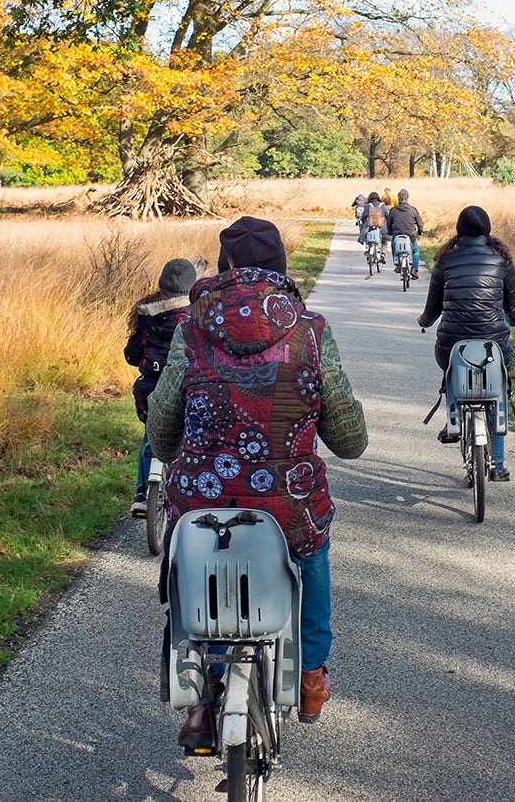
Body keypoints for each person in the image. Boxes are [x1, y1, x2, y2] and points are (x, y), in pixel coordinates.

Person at [146, 216, 368, 743]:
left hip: (203, 508)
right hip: (287, 506)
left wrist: (178, 450)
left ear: (223, 269)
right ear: (281, 268)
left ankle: (201, 694)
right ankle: (311, 676)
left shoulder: (189, 329)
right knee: (311, 554)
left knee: (190, 562)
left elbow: (161, 432)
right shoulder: (310, 332)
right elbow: (350, 439)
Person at [416, 206, 515, 482]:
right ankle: (498, 464)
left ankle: (454, 419)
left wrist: (424, 321)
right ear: (486, 229)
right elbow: (512, 306)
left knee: (451, 369)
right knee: (498, 390)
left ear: (459, 230)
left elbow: (433, 308)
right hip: (494, 341)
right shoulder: (503, 259)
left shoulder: (445, 260)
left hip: (453, 340)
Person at [124, 258, 198, 515]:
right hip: (185, 391)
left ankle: (141, 494)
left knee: (149, 437)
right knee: (191, 436)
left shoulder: (147, 313)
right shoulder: (196, 316)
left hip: (150, 392)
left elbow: (132, 355)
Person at [384, 188, 423, 276]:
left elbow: (389, 223)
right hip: (410, 235)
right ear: (407, 198)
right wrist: (421, 231)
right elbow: (419, 223)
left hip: (397, 234)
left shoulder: (393, 210)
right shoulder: (413, 210)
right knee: (415, 251)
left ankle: (397, 264)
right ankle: (414, 269)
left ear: (398, 198)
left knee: (393, 245)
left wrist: (390, 231)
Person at [361, 190, 387, 278]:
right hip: (380, 227)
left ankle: (368, 251)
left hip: (369, 226)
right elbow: (387, 215)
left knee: (366, 237)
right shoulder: (382, 205)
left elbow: (364, 216)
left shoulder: (367, 205)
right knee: (384, 240)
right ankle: (383, 254)